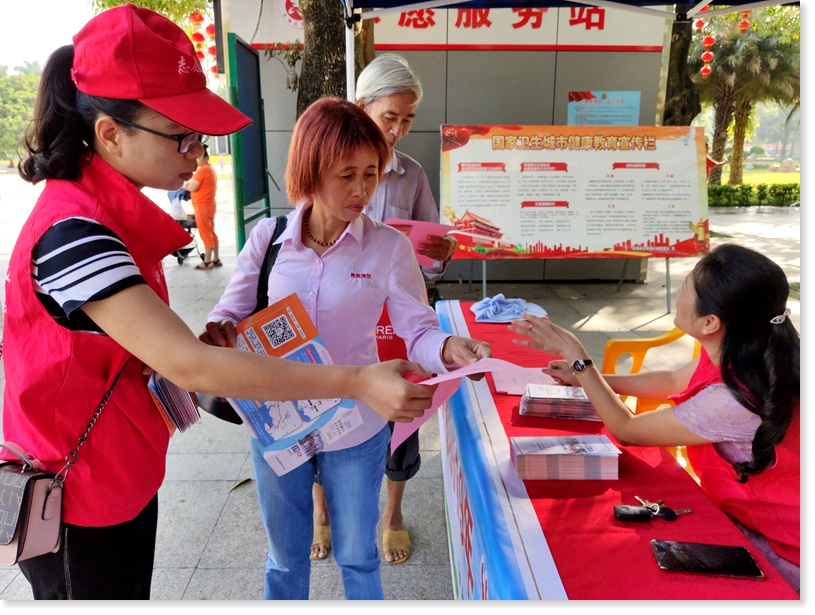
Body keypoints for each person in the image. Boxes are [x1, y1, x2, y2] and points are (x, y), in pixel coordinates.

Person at [0, 5, 439, 600]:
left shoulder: (113, 220)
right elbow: (190, 364)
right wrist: (359, 381)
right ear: (110, 133)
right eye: (181, 133)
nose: (196, 150)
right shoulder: (76, 231)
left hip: (117, 476)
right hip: (83, 492)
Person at [202, 96, 491, 600]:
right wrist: (221, 330)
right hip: (278, 423)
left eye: (372, 174)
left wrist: (450, 347)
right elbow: (227, 313)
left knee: (359, 557)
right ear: (310, 171)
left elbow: (419, 331)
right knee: (285, 560)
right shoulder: (268, 240)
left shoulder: (388, 247)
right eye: (347, 175)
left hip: (356, 427)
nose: (363, 191)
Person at [508, 244, 800, 592]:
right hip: (758, 515)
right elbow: (673, 380)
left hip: (785, 544)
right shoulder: (748, 347)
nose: (676, 296)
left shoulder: (734, 398)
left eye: (683, 289)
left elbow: (628, 429)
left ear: (710, 322)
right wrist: (589, 378)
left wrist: (577, 357)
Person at [311, 53, 457, 566]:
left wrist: (439, 256)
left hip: (398, 323)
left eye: (407, 119)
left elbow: (427, 260)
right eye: (388, 116)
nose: (397, 130)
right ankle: (321, 512)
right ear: (361, 106)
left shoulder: (411, 175)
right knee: (324, 414)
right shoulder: (325, 163)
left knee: (399, 417)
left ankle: (391, 515)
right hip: (337, 319)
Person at [183, 143, 221, 269]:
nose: (197, 161)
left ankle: (207, 261)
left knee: (205, 233)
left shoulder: (203, 170)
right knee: (210, 232)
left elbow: (191, 187)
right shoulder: (210, 169)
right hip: (209, 204)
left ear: (204, 157)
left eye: (198, 157)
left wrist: (185, 185)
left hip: (202, 205)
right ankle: (215, 259)